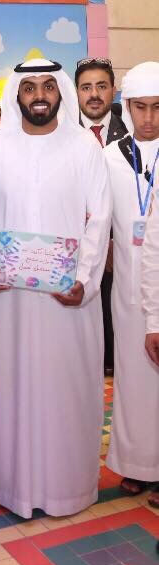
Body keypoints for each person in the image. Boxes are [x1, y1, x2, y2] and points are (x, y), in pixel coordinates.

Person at [0, 58, 111, 518]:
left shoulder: (84, 148)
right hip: (10, 301)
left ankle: (67, 488)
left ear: (60, 93)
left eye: (48, 86)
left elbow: (100, 221)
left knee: (67, 390)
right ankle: (12, 487)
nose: (38, 95)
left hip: (67, 301)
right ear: (17, 94)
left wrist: (84, 280)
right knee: (11, 389)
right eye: (29, 87)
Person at [106, 62, 159, 501]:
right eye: (140, 107)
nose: (149, 118)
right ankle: (139, 464)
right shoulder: (109, 156)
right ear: (126, 107)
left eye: (158, 108)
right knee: (132, 379)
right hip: (125, 289)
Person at [76, 57, 128, 377]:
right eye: (86, 87)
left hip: (123, 249)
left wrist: (112, 240)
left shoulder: (132, 133)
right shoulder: (62, 134)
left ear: (113, 90)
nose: (94, 94)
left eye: (101, 86)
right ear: (76, 92)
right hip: (76, 249)